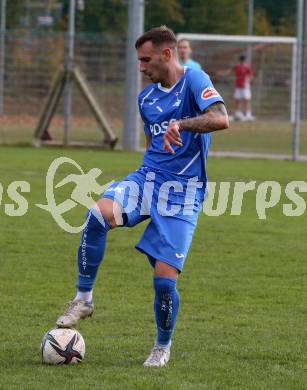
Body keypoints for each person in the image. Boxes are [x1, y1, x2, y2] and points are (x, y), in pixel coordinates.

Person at [56, 26, 229, 368]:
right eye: (138, 60)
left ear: (167, 54)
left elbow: (221, 119)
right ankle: (83, 298)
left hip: (183, 194)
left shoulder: (194, 80)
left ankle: (162, 346)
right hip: (148, 180)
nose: (141, 67)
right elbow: (155, 148)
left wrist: (182, 125)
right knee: (97, 214)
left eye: (146, 59)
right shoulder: (146, 98)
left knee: (164, 282)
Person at [232, 54, 254, 121]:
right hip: (239, 86)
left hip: (245, 86)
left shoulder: (247, 67)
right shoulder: (237, 67)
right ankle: (238, 114)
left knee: (246, 100)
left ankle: (248, 115)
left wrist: (248, 81)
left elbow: (250, 76)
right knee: (238, 100)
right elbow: (251, 77)